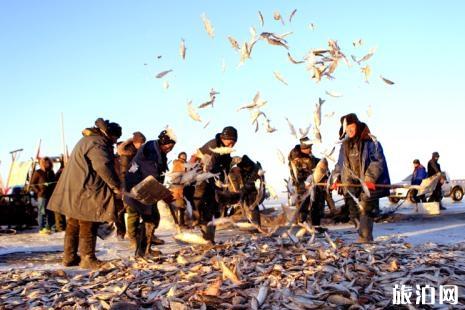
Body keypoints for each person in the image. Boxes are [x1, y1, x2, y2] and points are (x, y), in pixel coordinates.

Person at [48, 118, 122, 269]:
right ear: (111, 135)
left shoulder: (87, 139)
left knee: (73, 222)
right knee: (88, 221)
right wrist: (115, 185)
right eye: (115, 139)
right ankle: (87, 258)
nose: (115, 143)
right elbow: (102, 166)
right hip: (86, 188)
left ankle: (69, 257)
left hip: (75, 187)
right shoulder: (98, 142)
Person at [333, 113, 390, 243]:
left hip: (369, 182)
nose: (349, 130)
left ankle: (365, 239)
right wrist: (336, 178)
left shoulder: (371, 142)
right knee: (353, 211)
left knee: (366, 208)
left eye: (351, 126)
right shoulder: (344, 145)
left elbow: (377, 161)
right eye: (347, 128)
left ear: (357, 125)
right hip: (352, 184)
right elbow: (340, 164)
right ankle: (362, 233)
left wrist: (369, 179)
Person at [124, 128, 176, 257]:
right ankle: (142, 251)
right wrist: (165, 194)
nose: (169, 148)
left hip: (145, 188)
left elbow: (158, 175)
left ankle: (144, 249)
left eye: (171, 146)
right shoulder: (150, 151)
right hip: (139, 188)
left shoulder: (158, 151)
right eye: (167, 145)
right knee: (149, 218)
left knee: (153, 218)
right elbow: (151, 176)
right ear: (162, 142)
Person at [190, 126, 237, 242]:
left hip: (214, 179)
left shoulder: (225, 148)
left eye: (234, 143)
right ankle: (206, 238)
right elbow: (205, 164)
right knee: (205, 207)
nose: (231, 145)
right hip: (203, 180)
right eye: (230, 142)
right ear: (223, 138)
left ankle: (209, 238)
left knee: (214, 209)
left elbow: (223, 167)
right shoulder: (214, 146)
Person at [288, 137, 327, 232]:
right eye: (309, 147)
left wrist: (322, 166)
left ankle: (316, 226)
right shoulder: (296, 159)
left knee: (318, 202)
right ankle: (301, 225)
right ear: (303, 148)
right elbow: (297, 175)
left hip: (313, 184)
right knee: (303, 205)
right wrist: (304, 184)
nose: (311, 149)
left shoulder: (310, 157)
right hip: (302, 185)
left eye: (311, 147)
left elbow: (315, 167)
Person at [115, 131, 146, 241]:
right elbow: (124, 172)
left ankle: (134, 233)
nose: (142, 145)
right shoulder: (126, 155)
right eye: (141, 143)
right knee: (125, 211)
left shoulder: (135, 153)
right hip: (125, 185)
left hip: (131, 184)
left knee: (132, 209)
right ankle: (125, 233)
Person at [30, 157, 56, 234]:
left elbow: (54, 183)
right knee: (42, 212)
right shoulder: (38, 172)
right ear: (43, 163)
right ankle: (41, 228)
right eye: (46, 163)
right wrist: (38, 191)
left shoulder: (51, 172)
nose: (48, 164)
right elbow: (32, 184)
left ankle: (49, 227)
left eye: (49, 163)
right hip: (42, 196)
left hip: (50, 195)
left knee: (50, 212)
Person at [170, 152, 188, 227]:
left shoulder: (184, 163)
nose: (184, 156)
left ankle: (179, 223)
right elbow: (178, 175)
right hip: (178, 188)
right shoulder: (179, 163)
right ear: (179, 156)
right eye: (182, 155)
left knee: (181, 206)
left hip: (180, 187)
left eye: (185, 155)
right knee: (180, 206)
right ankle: (180, 223)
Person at [53, 157, 67, 232]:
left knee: (62, 211)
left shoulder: (65, 171)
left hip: (63, 193)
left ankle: (62, 226)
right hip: (57, 194)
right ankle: (60, 227)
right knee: (58, 211)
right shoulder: (59, 172)